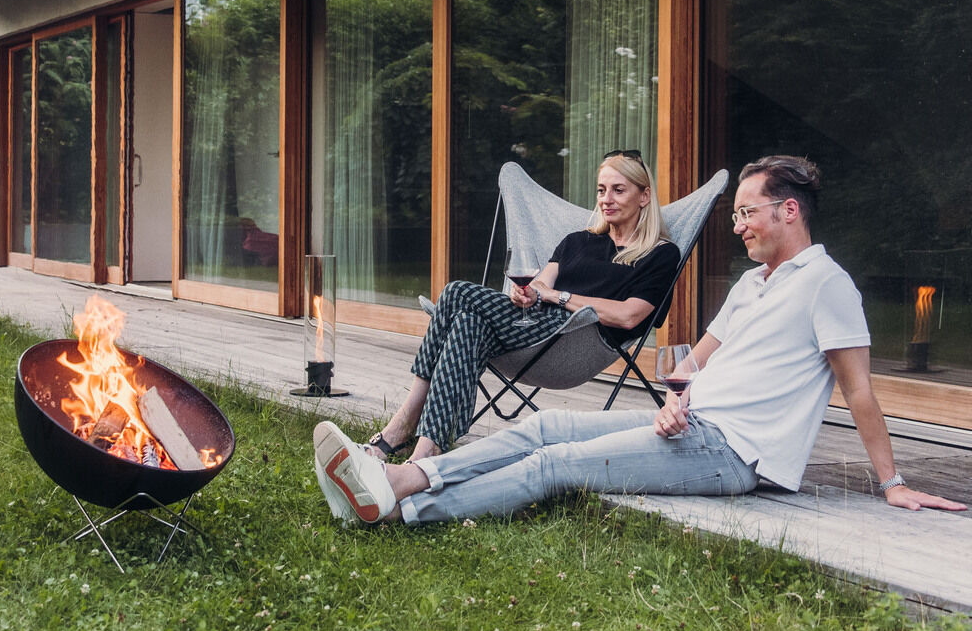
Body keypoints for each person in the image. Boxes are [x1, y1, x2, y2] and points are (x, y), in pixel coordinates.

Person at [313, 155, 966, 526]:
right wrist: (673, 398)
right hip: (691, 426)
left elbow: (859, 393)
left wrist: (893, 483)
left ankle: (402, 509)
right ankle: (401, 475)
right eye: (735, 212)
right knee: (539, 433)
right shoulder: (751, 286)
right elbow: (690, 363)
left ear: (787, 210)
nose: (738, 225)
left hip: (735, 453)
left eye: (746, 212)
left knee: (552, 465)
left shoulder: (827, 284)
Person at [364, 151, 679, 463]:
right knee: (466, 322)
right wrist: (525, 295)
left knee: (457, 293)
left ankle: (403, 425)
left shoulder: (660, 254)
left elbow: (629, 316)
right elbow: (539, 287)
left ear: (644, 196)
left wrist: (559, 297)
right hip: (530, 328)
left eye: (618, 190)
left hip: (576, 341)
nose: (606, 199)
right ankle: (427, 450)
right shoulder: (578, 241)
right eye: (601, 190)